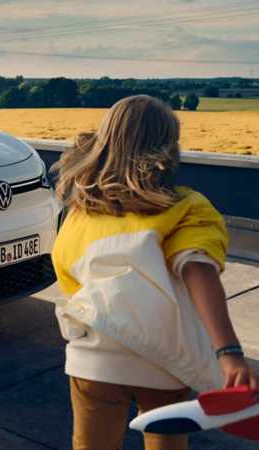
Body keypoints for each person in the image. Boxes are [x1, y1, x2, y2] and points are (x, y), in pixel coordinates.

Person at [49, 95, 259, 450]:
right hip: (163, 359)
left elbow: (69, 280)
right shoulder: (188, 208)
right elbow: (197, 270)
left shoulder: (79, 211)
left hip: (93, 359)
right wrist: (229, 354)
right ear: (168, 148)